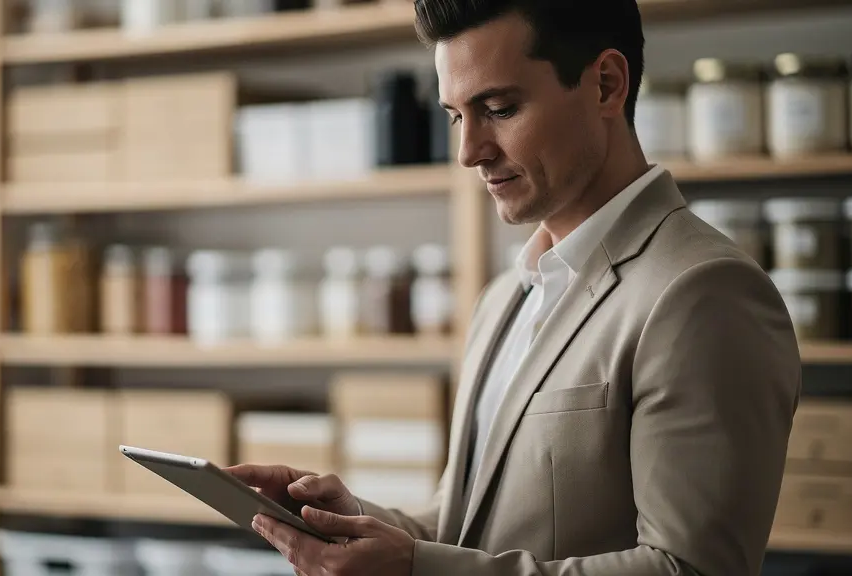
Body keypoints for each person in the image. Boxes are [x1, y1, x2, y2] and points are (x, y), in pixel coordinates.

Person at [226, 1, 802, 574]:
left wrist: (416, 570)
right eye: (456, 116)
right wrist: (341, 522)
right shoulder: (504, 296)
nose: (468, 151)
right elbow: (461, 529)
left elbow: (691, 570)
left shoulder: (705, 293)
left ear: (606, 84)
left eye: (498, 109)